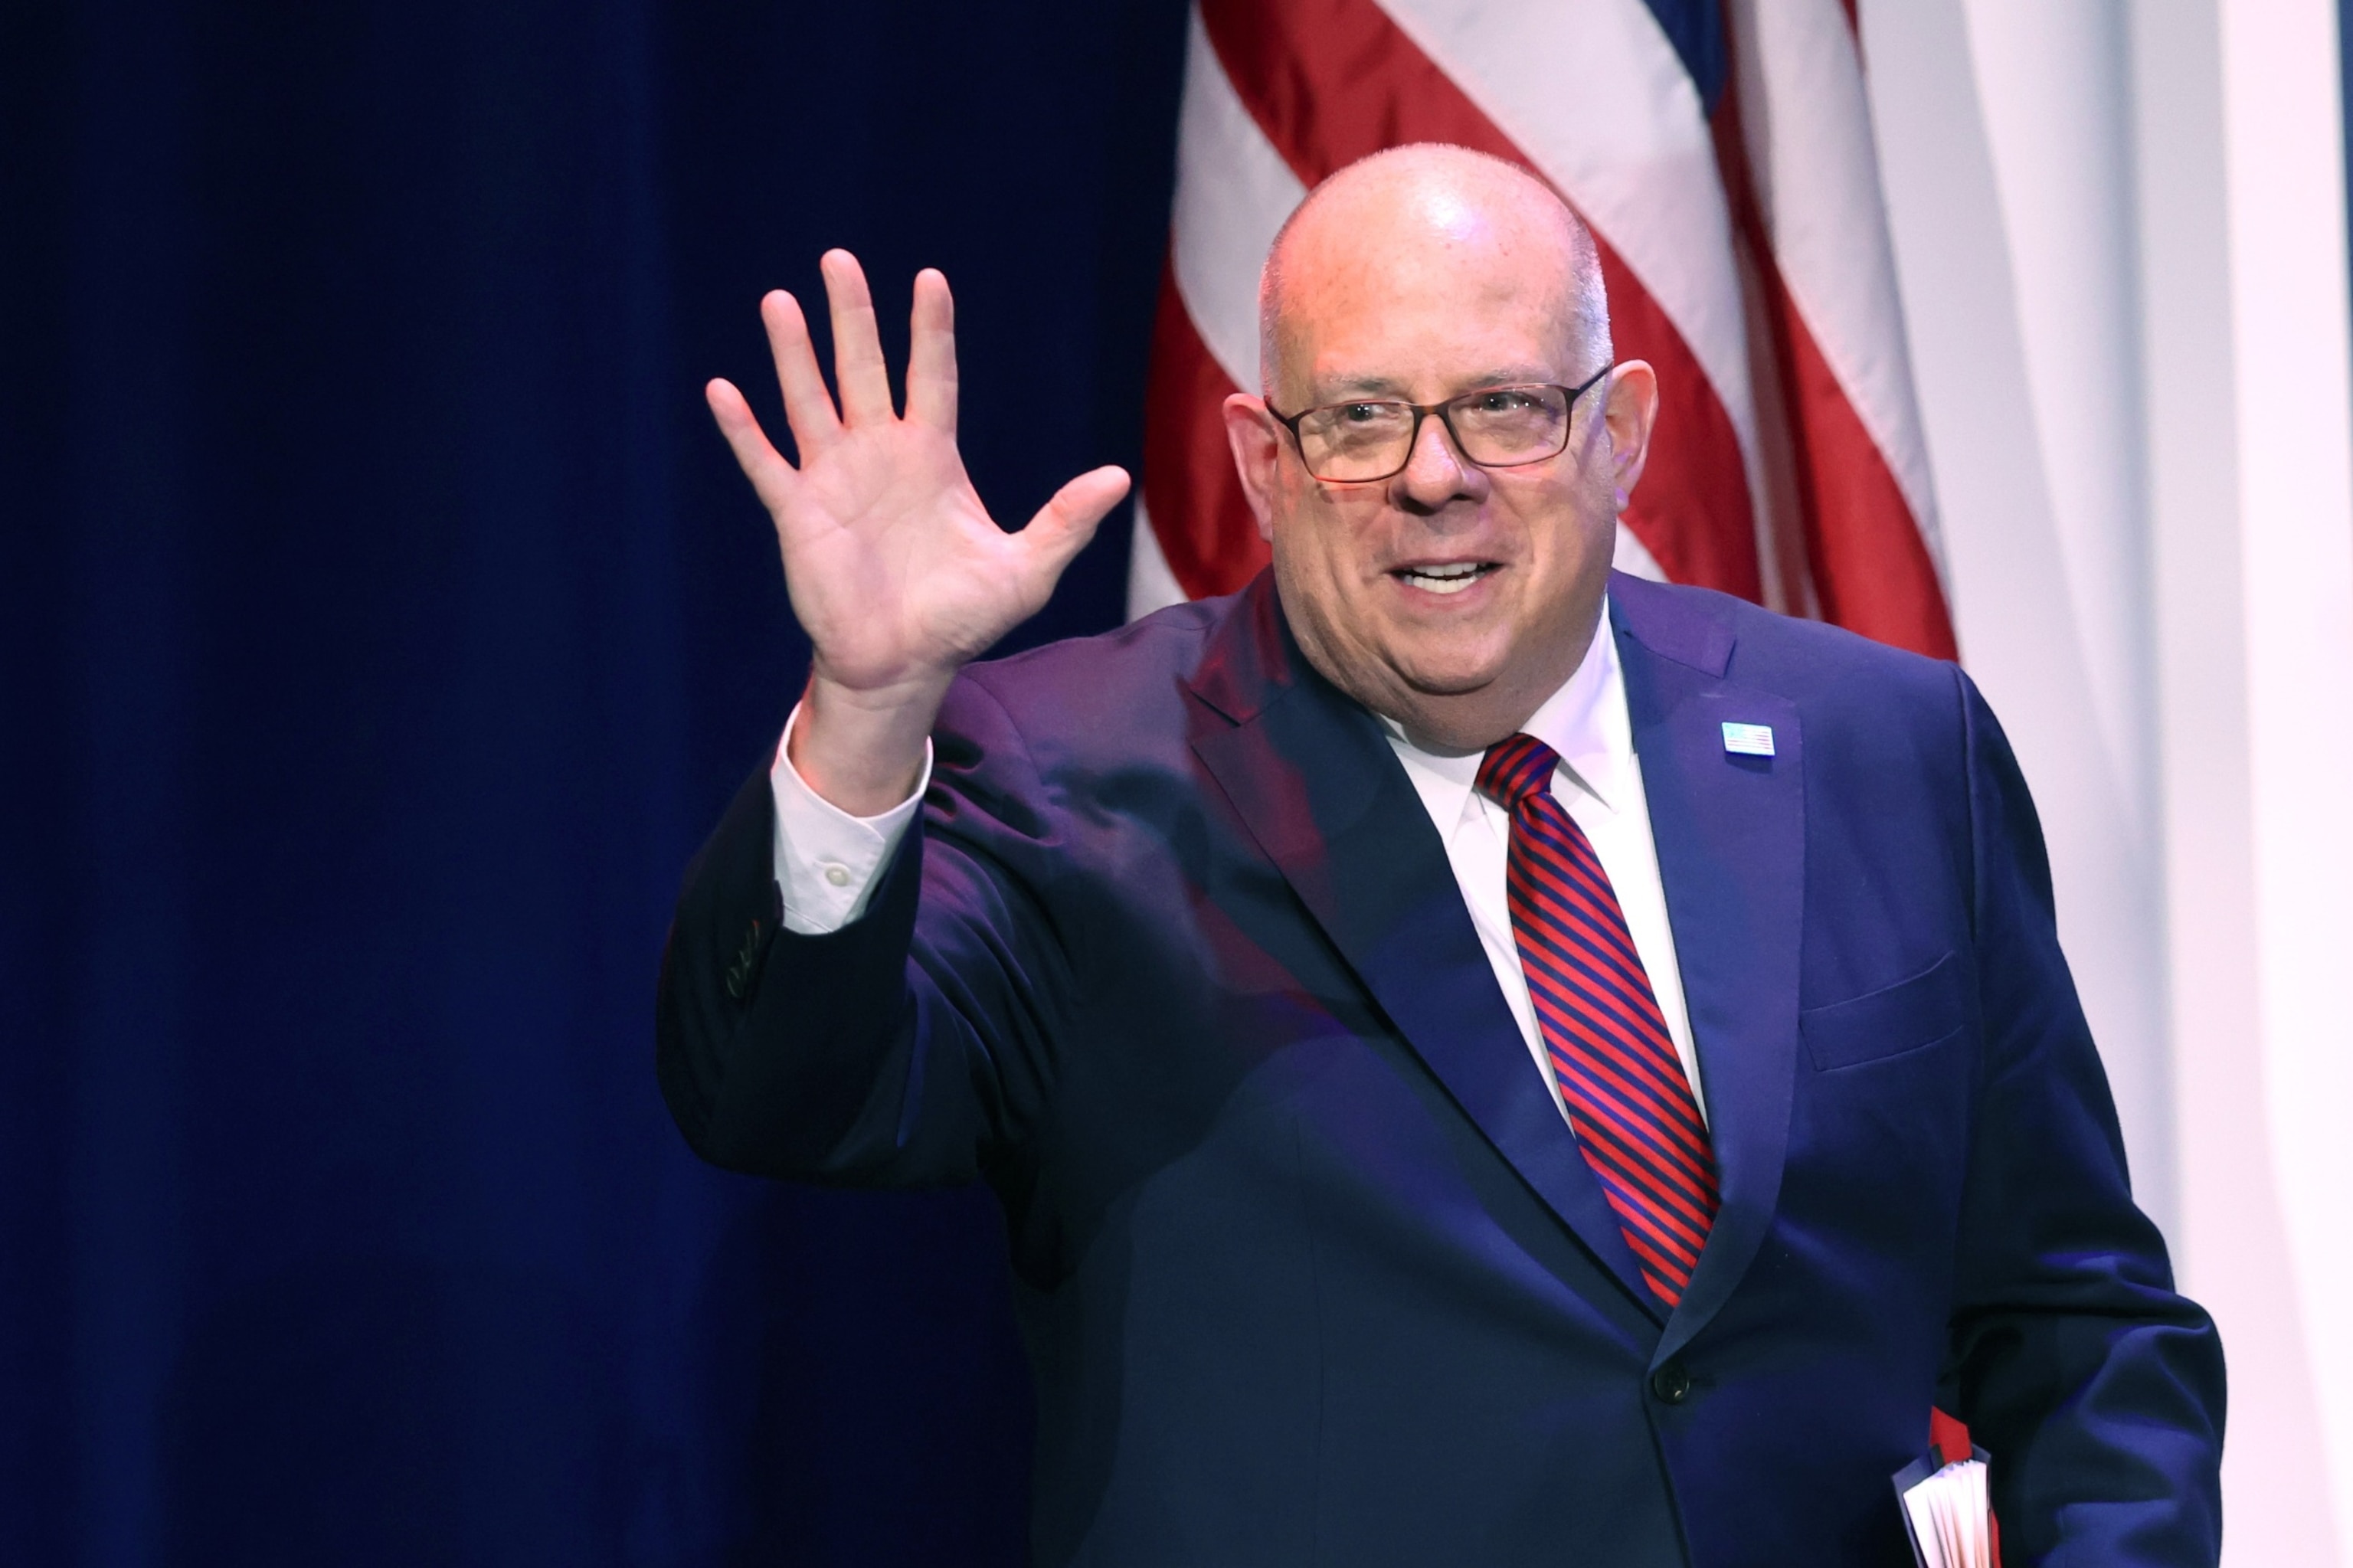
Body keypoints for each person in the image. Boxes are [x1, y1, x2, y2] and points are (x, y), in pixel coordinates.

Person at [658, 145, 2224, 1566]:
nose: (1431, 474)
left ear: (1618, 431)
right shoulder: (1072, 776)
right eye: (1358, 418)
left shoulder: (1889, 752)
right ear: (1266, 464)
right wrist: (867, 714)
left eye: (1502, 406)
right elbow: (779, 1089)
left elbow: (2078, 1322)